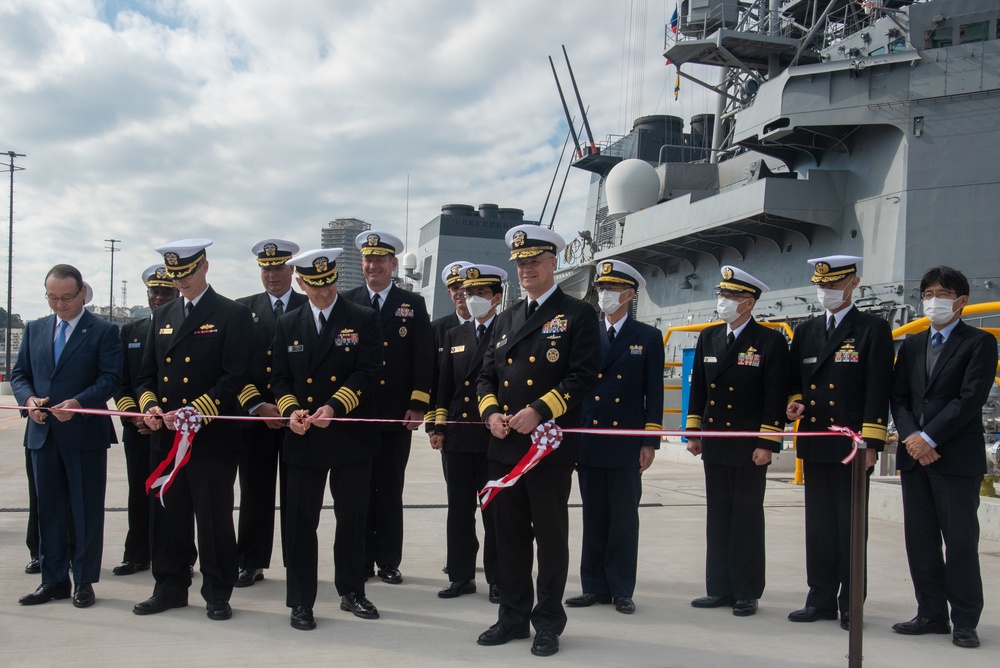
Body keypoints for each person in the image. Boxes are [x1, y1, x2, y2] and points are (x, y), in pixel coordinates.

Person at [476, 224, 600, 658]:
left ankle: (547, 622)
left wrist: (540, 410)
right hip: (505, 446)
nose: (526, 268)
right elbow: (485, 376)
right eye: (521, 263)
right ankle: (511, 617)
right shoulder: (506, 318)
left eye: (534, 261)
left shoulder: (578, 314)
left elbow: (582, 375)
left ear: (554, 262)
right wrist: (490, 412)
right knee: (507, 536)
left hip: (547, 446)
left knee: (549, 537)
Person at [132, 239, 259, 621]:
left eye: (187, 273)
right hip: (167, 436)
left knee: (213, 518)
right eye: (175, 275)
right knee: (168, 516)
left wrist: (196, 411)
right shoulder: (162, 314)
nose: (181, 281)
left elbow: (235, 375)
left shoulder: (231, 314)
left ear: (204, 267)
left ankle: (217, 591)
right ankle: (169, 586)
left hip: (211, 438)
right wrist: (150, 405)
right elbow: (144, 375)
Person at [270, 248, 383, 630]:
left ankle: (352, 592)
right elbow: (279, 378)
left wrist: (334, 406)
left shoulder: (363, 318)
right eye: (315, 285)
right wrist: (290, 411)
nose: (324, 292)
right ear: (300, 283)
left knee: (352, 518)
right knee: (301, 522)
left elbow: (368, 373)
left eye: (329, 283)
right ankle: (301, 601)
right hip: (304, 436)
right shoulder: (288, 323)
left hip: (350, 433)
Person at [890, 266, 997, 649]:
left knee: (960, 542)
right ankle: (930, 614)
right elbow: (899, 397)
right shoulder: (914, 344)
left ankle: (964, 621)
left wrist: (930, 437)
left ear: (961, 300)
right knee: (920, 540)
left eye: (942, 293)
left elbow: (970, 398)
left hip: (954, 458)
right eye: (929, 293)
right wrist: (912, 436)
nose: (934, 300)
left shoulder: (980, 343)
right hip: (915, 457)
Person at [786, 255, 893, 630]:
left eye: (831, 286)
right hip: (815, 441)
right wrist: (793, 402)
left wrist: (871, 444)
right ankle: (820, 599)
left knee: (850, 526)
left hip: (852, 446)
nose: (825, 293)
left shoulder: (872, 330)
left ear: (852, 284)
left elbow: (878, 389)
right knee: (818, 526)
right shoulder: (807, 330)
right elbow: (792, 378)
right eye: (821, 287)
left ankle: (851, 604)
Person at [13, 264, 122, 609]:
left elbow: (110, 379)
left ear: (82, 293)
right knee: (49, 510)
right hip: (42, 434)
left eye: (66, 298)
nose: (59, 305)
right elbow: (19, 375)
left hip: (84, 434)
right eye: (52, 297)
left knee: (85, 510)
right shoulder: (34, 329)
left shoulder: (102, 331)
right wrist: (29, 400)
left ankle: (84, 580)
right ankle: (54, 579)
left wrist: (79, 403)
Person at [684, 266, 789, 617]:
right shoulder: (709, 337)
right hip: (715, 442)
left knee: (745, 516)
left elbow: (775, 395)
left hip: (749, 446)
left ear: (749, 301)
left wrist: (768, 442)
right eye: (721, 294)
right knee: (718, 514)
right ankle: (718, 588)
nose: (723, 301)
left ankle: (746, 590)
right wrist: (694, 433)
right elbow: (698, 388)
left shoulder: (769, 341)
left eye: (730, 296)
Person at [564, 260, 664, 615]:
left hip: (625, 441)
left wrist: (649, 442)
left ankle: (621, 588)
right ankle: (592, 586)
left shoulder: (647, 337)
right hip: (589, 437)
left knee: (623, 518)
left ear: (629, 293)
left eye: (611, 289)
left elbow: (654, 393)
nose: (604, 295)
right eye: (601, 289)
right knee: (593, 516)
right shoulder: (586, 330)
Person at [343, 230, 433, 585]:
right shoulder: (346, 301)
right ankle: (361, 559)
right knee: (358, 490)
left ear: (394, 264)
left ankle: (388, 560)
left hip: (397, 415)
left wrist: (417, 404)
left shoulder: (412, 304)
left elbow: (423, 357)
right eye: (368, 259)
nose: (372, 265)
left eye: (380, 259)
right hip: (356, 414)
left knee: (390, 488)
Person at [430, 263, 506, 603]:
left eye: (481, 293)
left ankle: (498, 579)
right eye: (469, 292)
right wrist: (437, 426)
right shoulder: (454, 335)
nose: (473, 298)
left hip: (494, 439)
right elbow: (443, 386)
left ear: (497, 298)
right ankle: (460, 576)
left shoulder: (507, 331)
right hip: (458, 439)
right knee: (459, 510)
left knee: (495, 512)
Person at [234, 239, 307, 588]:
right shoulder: (241, 310)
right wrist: (256, 405)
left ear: (292, 270)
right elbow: (233, 366)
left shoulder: (311, 306)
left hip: (298, 420)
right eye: (266, 268)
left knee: (297, 497)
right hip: (257, 418)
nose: (272, 274)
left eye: (279, 267)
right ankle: (250, 561)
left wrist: (293, 407)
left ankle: (297, 563)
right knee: (254, 493)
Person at [112, 265, 179, 576]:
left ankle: (180, 556)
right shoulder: (131, 332)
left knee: (173, 497)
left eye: (166, 291)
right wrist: (133, 416)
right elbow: (122, 382)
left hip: (175, 430)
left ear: (177, 293)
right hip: (138, 429)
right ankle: (137, 553)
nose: (159, 297)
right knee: (139, 494)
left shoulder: (185, 327)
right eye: (154, 291)